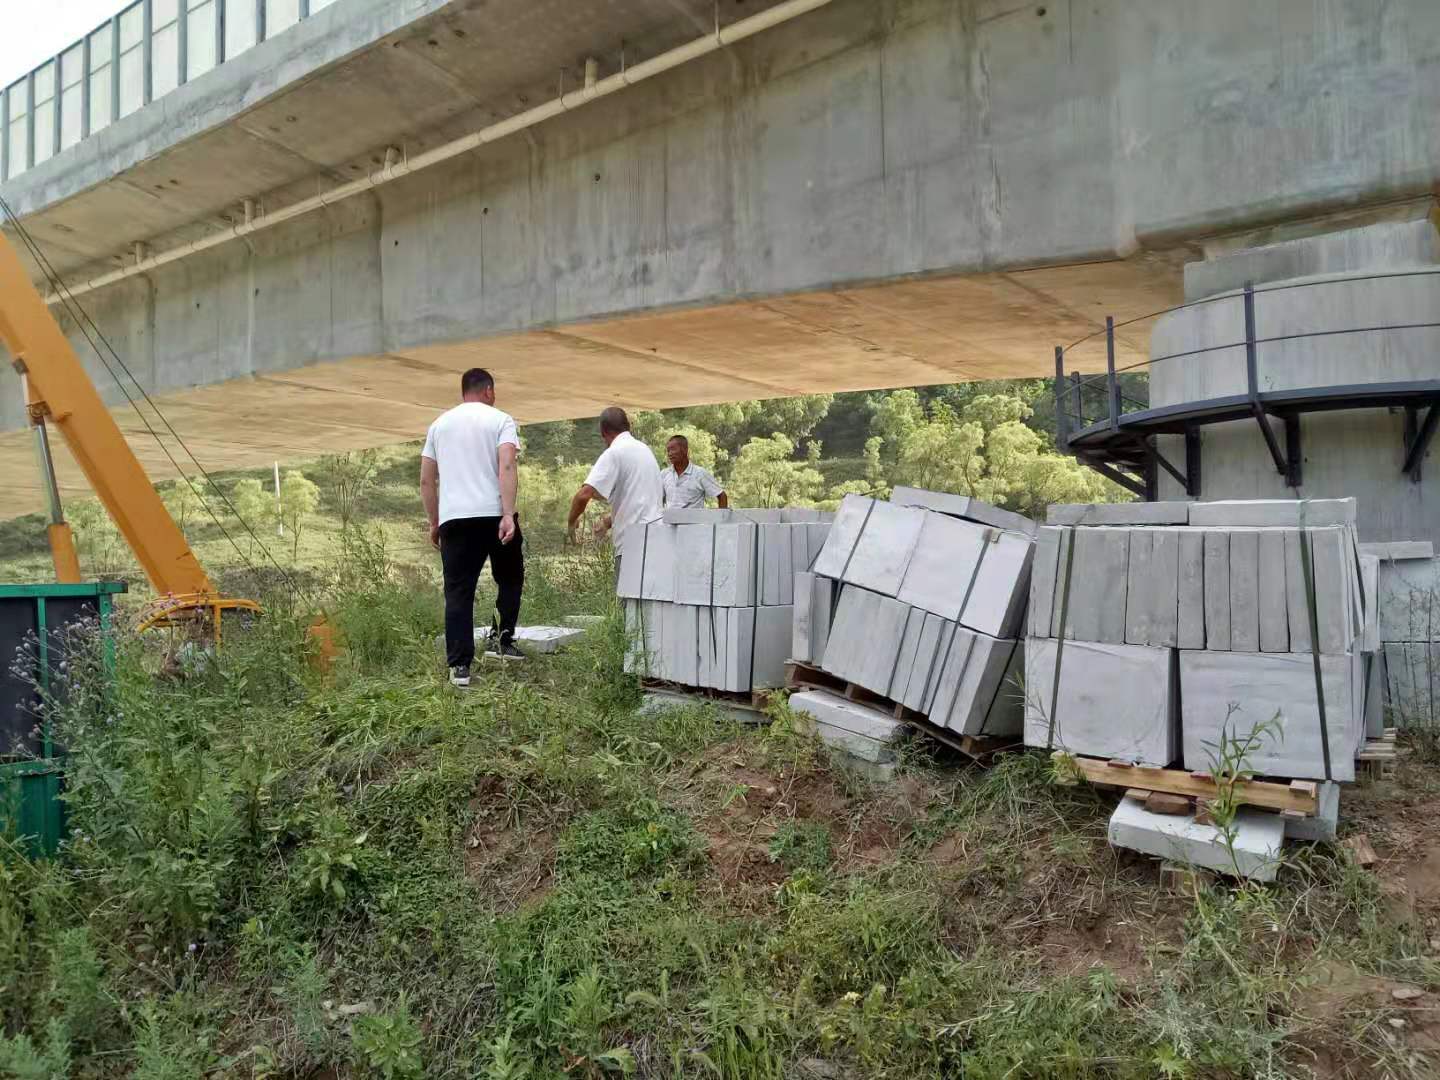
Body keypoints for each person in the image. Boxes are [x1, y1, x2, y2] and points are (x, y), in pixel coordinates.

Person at [421, 367, 524, 687]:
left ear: (464, 391)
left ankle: (460, 667)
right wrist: (508, 515)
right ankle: (503, 641)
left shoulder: (438, 425)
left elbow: (426, 479)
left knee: (458, 593)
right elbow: (506, 464)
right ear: (489, 391)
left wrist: (435, 521)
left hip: (456, 520)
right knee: (510, 577)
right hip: (493, 515)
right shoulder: (501, 420)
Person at [567, 407, 663, 577]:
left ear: (603, 432)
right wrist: (607, 522)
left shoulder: (614, 453)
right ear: (628, 426)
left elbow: (584, 494)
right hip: (657, 540)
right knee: (651, 600)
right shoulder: (645, 451)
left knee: (629, 601)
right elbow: (640, 502)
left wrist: (571, 523)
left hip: (632, 545)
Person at [661, 434, 728, 510]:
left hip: (695, 521)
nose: (669, 454)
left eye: (673, 449)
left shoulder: (700, 473)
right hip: (669, 521)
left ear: (685, 450)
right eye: (668, 450)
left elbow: (722, 496)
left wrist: (721, 520)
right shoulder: (664, 474)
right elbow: (658, 500)